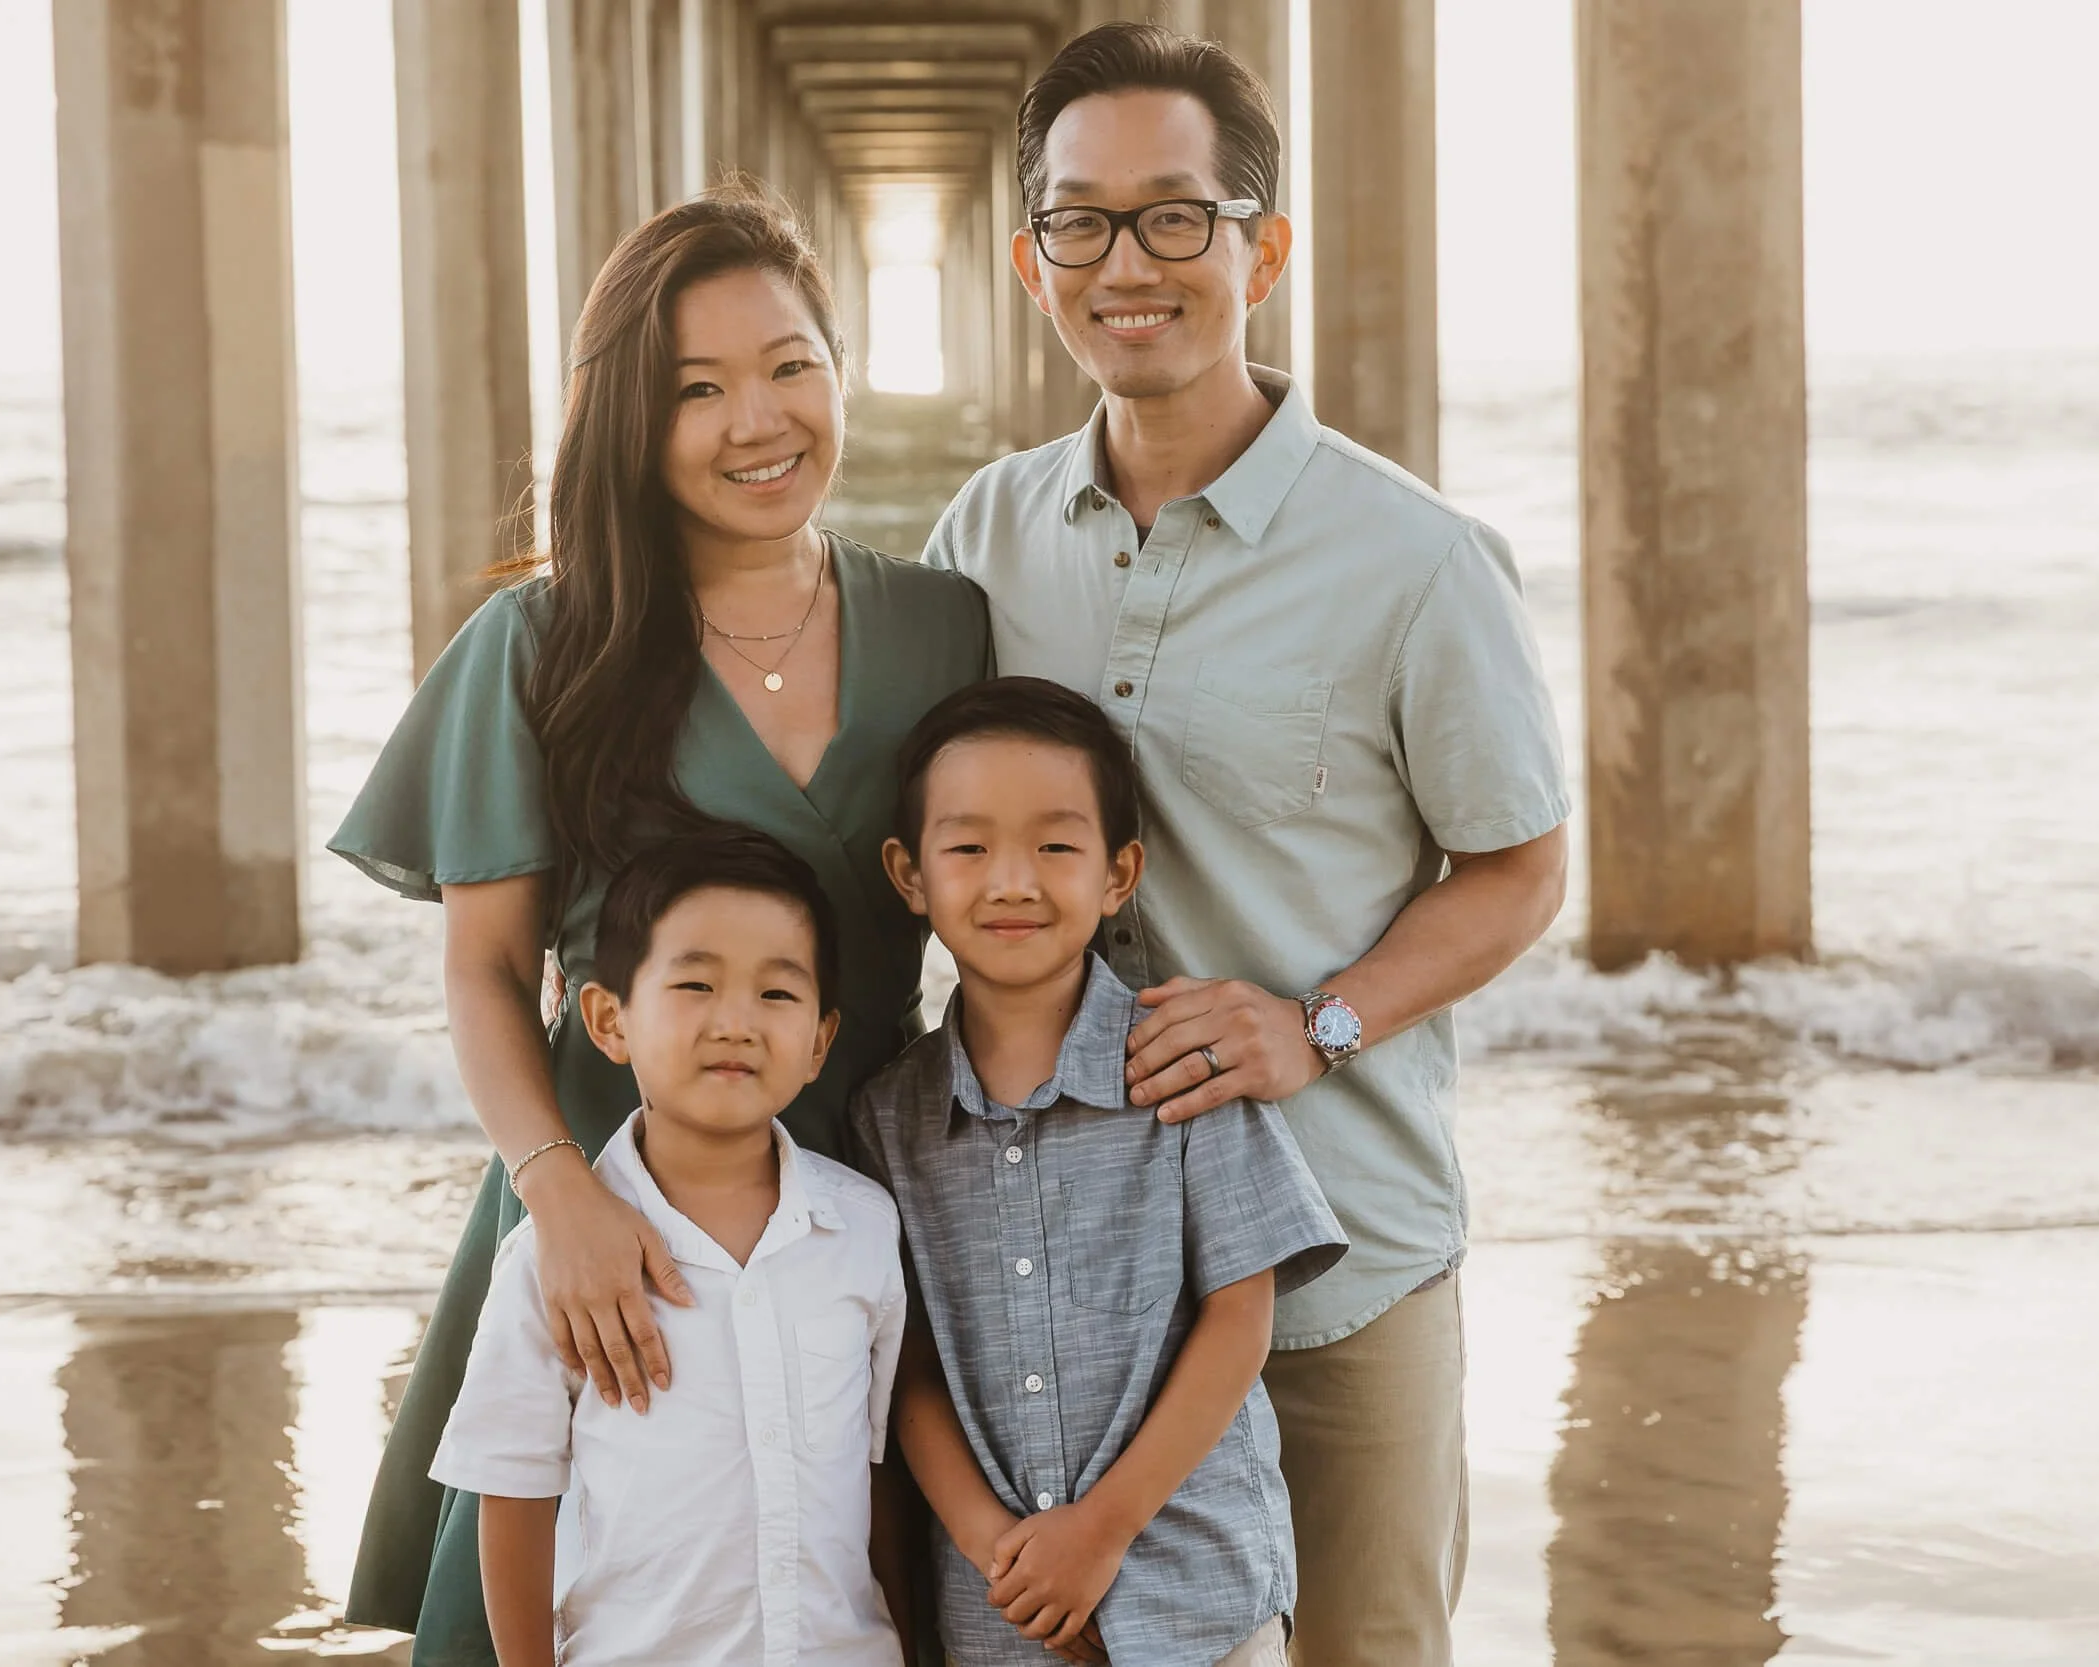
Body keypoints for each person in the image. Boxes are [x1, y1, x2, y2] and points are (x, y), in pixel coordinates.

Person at [924, 25, 1572, 1667]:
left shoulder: (1416, 560)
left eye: (1172, 215)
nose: (1124, 262)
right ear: (1031, 260)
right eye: (1080, 221)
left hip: (1342, 1255)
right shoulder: (979, 538)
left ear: (1259, 248)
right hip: (1060, 1268)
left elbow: (1518, 867)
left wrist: (1321, 1021)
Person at [331, 186, 990, 1659]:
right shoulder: (543, 644)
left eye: (790, 365)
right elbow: (489, 971)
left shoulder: (946, 622)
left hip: (869, 1185)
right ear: (631, 419)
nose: (758, 419)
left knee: (848, 1584)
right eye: (698, 388)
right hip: (611, 1193)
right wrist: (559, 1195)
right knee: (585, 1587)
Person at [851, 678, 1347, 1667]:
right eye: (968, 847)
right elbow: (906, 1373)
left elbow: (1239, 1315)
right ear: (909, 874)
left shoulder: (1181, 1058)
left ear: (1119, 872)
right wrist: (1007, 1555)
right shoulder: (888, 1116)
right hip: (1000, 1614)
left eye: (1055, 845)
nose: (1012, 880)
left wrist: (1104, 1526)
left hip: (1197, 1593)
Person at [432, 827, 908, 1667]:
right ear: (609, 1019)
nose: (736, 1021)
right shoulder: (556, 1258)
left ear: (821, 1042)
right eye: (694, 983)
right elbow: (511, 1491)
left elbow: (873, 1473)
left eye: (777, 995)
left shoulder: (862, 1226)